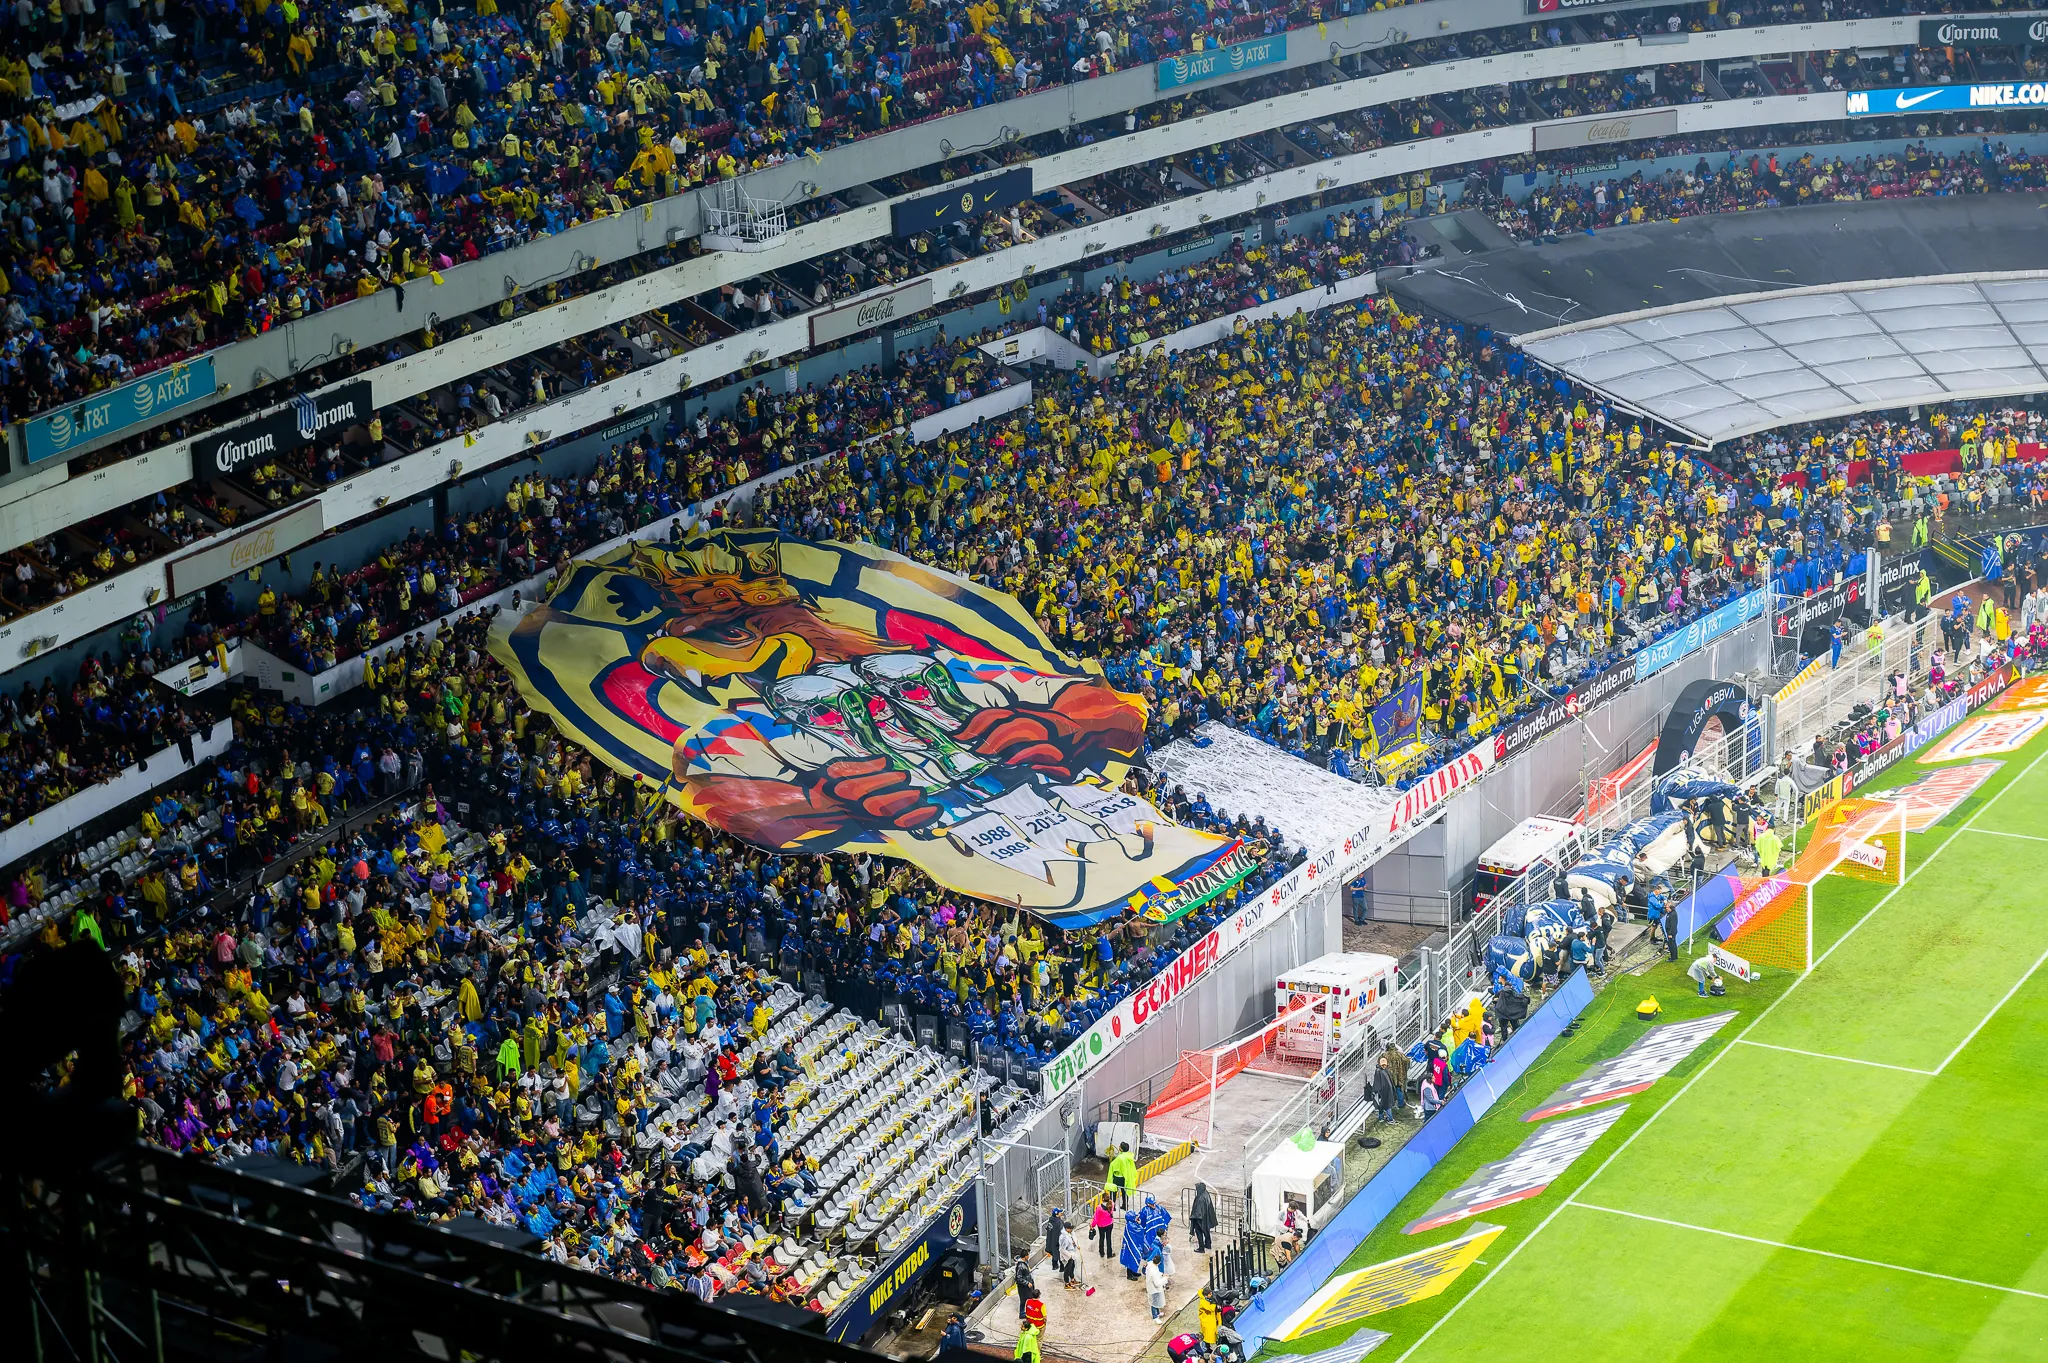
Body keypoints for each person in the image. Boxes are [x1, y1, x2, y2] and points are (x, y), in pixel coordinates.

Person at [1105, 1141, 1139, 1209]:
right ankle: (1125, 1205)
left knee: (1113, 1192)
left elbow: (1113, 1165)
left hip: (1117, 1178)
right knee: (1124, 1192)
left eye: (1120, 1146)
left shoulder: (1120, 1158)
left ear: (1121, 1149)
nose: (1119, 1147)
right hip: (1125, 1177)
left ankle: (1112, 1207)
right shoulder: (1129, 1156)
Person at [1189, 1181, 1218, 1254]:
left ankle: (1201, 1247)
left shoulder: (1200, 1198)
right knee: (1206, 1231)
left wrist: (1194, 1218)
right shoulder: (1206, 1194)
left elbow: (1198, 1211)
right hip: (1206, 1218)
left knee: (1198, 1232)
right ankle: (1208, 1244)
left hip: (1200, 1219)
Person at [1372, 1056, 1400, 1124]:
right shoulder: (1379, 1071)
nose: (1384, 1066)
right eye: (1383, 1065)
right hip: (1384, 1091)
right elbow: (1377, 1083)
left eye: (1385, 1065)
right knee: (1388, 1105)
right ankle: (1390, 1119)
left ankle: (1381, 1117)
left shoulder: (1382, 1070)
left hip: (1385, 1091)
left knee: (1383, 1104)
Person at [1016, 1299, 1045, 1363]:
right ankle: (1039, 1353)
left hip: (1027, 1355)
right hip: (1039, 1325)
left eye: (1022, 1326)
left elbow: (1025, 1348)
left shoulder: (1028, 1337)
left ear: (1026, 1328)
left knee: (1039, 1340)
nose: (1021, 1326)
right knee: (1039, 1340)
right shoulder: (1029, 1332)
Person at [1144, 1252, 1170, 1320]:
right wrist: (1165, 1279)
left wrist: (1161, 1275)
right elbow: (1157, 1283)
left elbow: (1155, 1272)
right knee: (1154, 1302)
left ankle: (1158, 1313)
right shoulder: (1154, 1271)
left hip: (1151, 1287)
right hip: (1154, 1289)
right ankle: (1155, 1316)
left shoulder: (1150, 1264)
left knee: (1157, 1301)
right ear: (1159, 1262)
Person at [1014, 1256, 1038, 1322]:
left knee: (1027, 1299)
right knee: (1025, 1300)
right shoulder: (1020, 1266)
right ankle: (1023, 1313)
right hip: (1024, 1287)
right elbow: (1018, 1278)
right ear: (1026, 1256)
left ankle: (1025, 1312)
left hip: (1028, 1284)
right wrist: (1027, 1283)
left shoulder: (1025, 1263)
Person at [1092, 1194, 1116, 1259]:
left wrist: (1092, 1225)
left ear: (1102, 1199)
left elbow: (1096, 1218)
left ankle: (1101, 1253)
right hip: (1109, 1224)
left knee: (1101, 1238)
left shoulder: (1099, 1208)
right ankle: (1109, 1254)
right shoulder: (1112, 1204)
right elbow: (1111, 1203)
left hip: (1101, 1226)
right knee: (1109, 1239)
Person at [1059, 1221, 1080, 1287]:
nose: (1071, 1229)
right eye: (1070, 1228)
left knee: (1072, 1266)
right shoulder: (1063, 1237)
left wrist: (1075, 1244)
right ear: (1066, 1228)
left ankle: (1072, 1279)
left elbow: (1073, 1240)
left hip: (1072, 1253)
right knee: (1067, 1269)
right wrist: (1069, 1256)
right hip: (1067, 1255)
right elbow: (1062, 1249)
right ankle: (1066, 1283)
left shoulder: (1070, 1234)